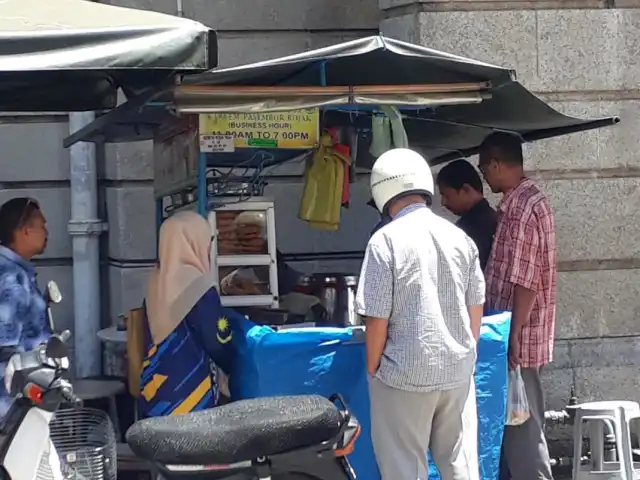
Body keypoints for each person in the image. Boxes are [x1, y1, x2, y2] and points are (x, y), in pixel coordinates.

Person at [356, 148, 485, 480]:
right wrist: (466, 353)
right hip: (457, 372)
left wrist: (374, 370)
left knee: (404, 468)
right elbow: (476, 308)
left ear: (382, 190)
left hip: (404, 375)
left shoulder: (384, 242)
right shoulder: (461, 238)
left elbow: (376, 319)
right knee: (460, 465)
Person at [478, 132, 556, 480]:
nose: (482, 176)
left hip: (517, 342)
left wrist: (512, 337)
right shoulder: (523, 202)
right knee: (515, 430)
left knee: (524, 436)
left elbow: (526, 282)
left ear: (496, 164)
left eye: (483, 168)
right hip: (515, 336)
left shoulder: (523, 209)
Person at [140, 211, 240, 418]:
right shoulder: (199, 285)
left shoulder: (154, 282)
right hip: (191, 394)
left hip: (154, 390)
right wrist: (235, 363)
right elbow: (218, 340)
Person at [0, 197, 51, 418]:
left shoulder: (15, 271)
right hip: (12, 404)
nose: (47, 232)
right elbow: (6, 348)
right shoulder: (11, 278)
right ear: (24, 231)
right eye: (42, 226)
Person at [436, 159, 498, 270]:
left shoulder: (464, 231)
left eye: (446, 195)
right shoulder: (495, 218)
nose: (443, 202)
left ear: (466, 189)